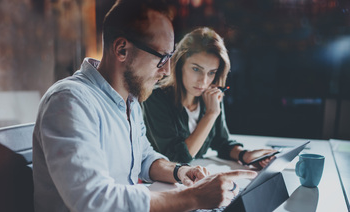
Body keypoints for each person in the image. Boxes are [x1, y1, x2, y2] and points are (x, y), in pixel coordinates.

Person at [33, 1, 257, 211]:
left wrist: (181, 172)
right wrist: (193, 197)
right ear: (122, 49)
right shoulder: (70, 101)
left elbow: (143, 158)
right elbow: (94, 201)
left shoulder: (130, 101)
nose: (167, 70)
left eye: (170, 57)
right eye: (161, 57)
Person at [142, 27, 276, 166]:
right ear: (180, 64)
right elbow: (177, 158)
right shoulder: (155, 98)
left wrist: (245, 155)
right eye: (196, 69)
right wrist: (211, 114)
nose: (204, 81)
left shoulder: (210, 95)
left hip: (197, 174)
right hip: (162, 183)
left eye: (211, 72)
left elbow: (221, 142)